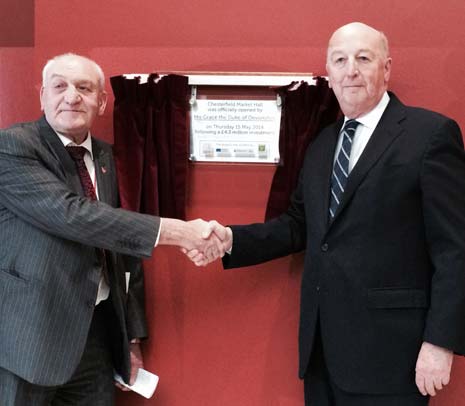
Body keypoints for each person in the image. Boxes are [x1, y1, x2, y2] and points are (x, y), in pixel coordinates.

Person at [192, 22, 465, 405]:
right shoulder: (322, 144)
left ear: (386, 68)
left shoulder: (430, 134)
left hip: (393, 356)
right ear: (329, 74)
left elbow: (455, 248)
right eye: (340, 60)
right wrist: (232, 240)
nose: (350, 69)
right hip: (322, 352)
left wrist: (440, 342)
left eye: (363, 58)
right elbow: (299, 227)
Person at [0, 53, 227, 405]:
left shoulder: (110, 158)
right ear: (42, 95)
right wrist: (180, 232)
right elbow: (72, 215)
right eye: (59, 86)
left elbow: (124, 254)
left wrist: (131, 339)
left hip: (96, 339)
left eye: (84, 88)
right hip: (28, 339)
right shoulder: (13, 147)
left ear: (102, 102)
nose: (71, 96)